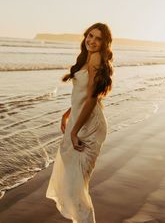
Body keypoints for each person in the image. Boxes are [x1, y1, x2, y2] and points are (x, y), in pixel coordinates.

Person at [46, 22, 113, 223]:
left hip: (89, 126)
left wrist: (74, 132)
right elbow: (83, 95)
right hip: (79, 118)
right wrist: (67, 113)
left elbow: (93, 98)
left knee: (77, 188)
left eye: (98, 38)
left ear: (104, 43)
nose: (91, 41)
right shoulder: (87, 58)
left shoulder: (96, 58)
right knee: (73, 183)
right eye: (89, 36)